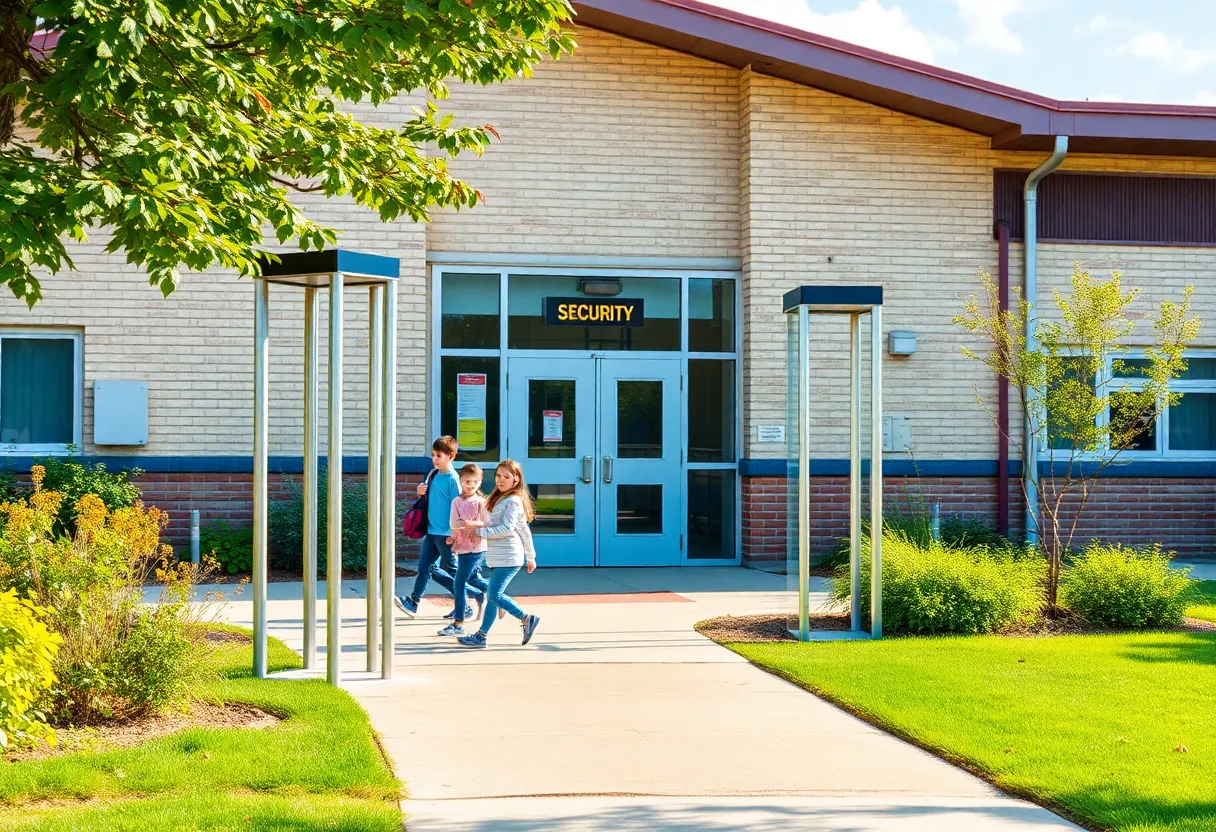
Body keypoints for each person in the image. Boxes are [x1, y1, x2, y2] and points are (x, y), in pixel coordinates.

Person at [394, 436, 485, 620]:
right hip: (431, 530)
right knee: (425, 567)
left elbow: (459, 506)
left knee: (451, 570)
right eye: (433, 455)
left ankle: (474, 596)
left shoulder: (453, 479)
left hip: (446, 533)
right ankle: (413, 602)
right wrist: (421, 491)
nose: (434, 458)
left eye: (439, 455)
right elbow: (429, 499)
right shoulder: (432, 474)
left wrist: (456, 534)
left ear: (450, 456)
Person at [455, 459, 540, 648]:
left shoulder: (513, 501)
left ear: (516, 480)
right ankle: (481, 636)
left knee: (494, 594)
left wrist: (478, 532)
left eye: (506, 477)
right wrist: (475, 525)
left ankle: (526, 618)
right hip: (498, 557)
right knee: (493, 597)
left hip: (509, 557)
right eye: (498, 476)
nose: (501, 480)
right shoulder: (499, 498)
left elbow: (506, 529)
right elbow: (522, 529)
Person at [437, 463, 493, 637]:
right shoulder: (456, 502)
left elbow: (487, 523)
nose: (470, 485)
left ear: (480, 482)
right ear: (461, 481)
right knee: (474, 578)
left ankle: (458, 622)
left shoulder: (482, 503)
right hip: (461, 548)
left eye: (474, 482)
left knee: (459, 582)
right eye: (467, 481)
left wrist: (472, 524)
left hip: (476, 548)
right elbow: (454, 523)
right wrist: (452, 539)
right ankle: (495, 593)